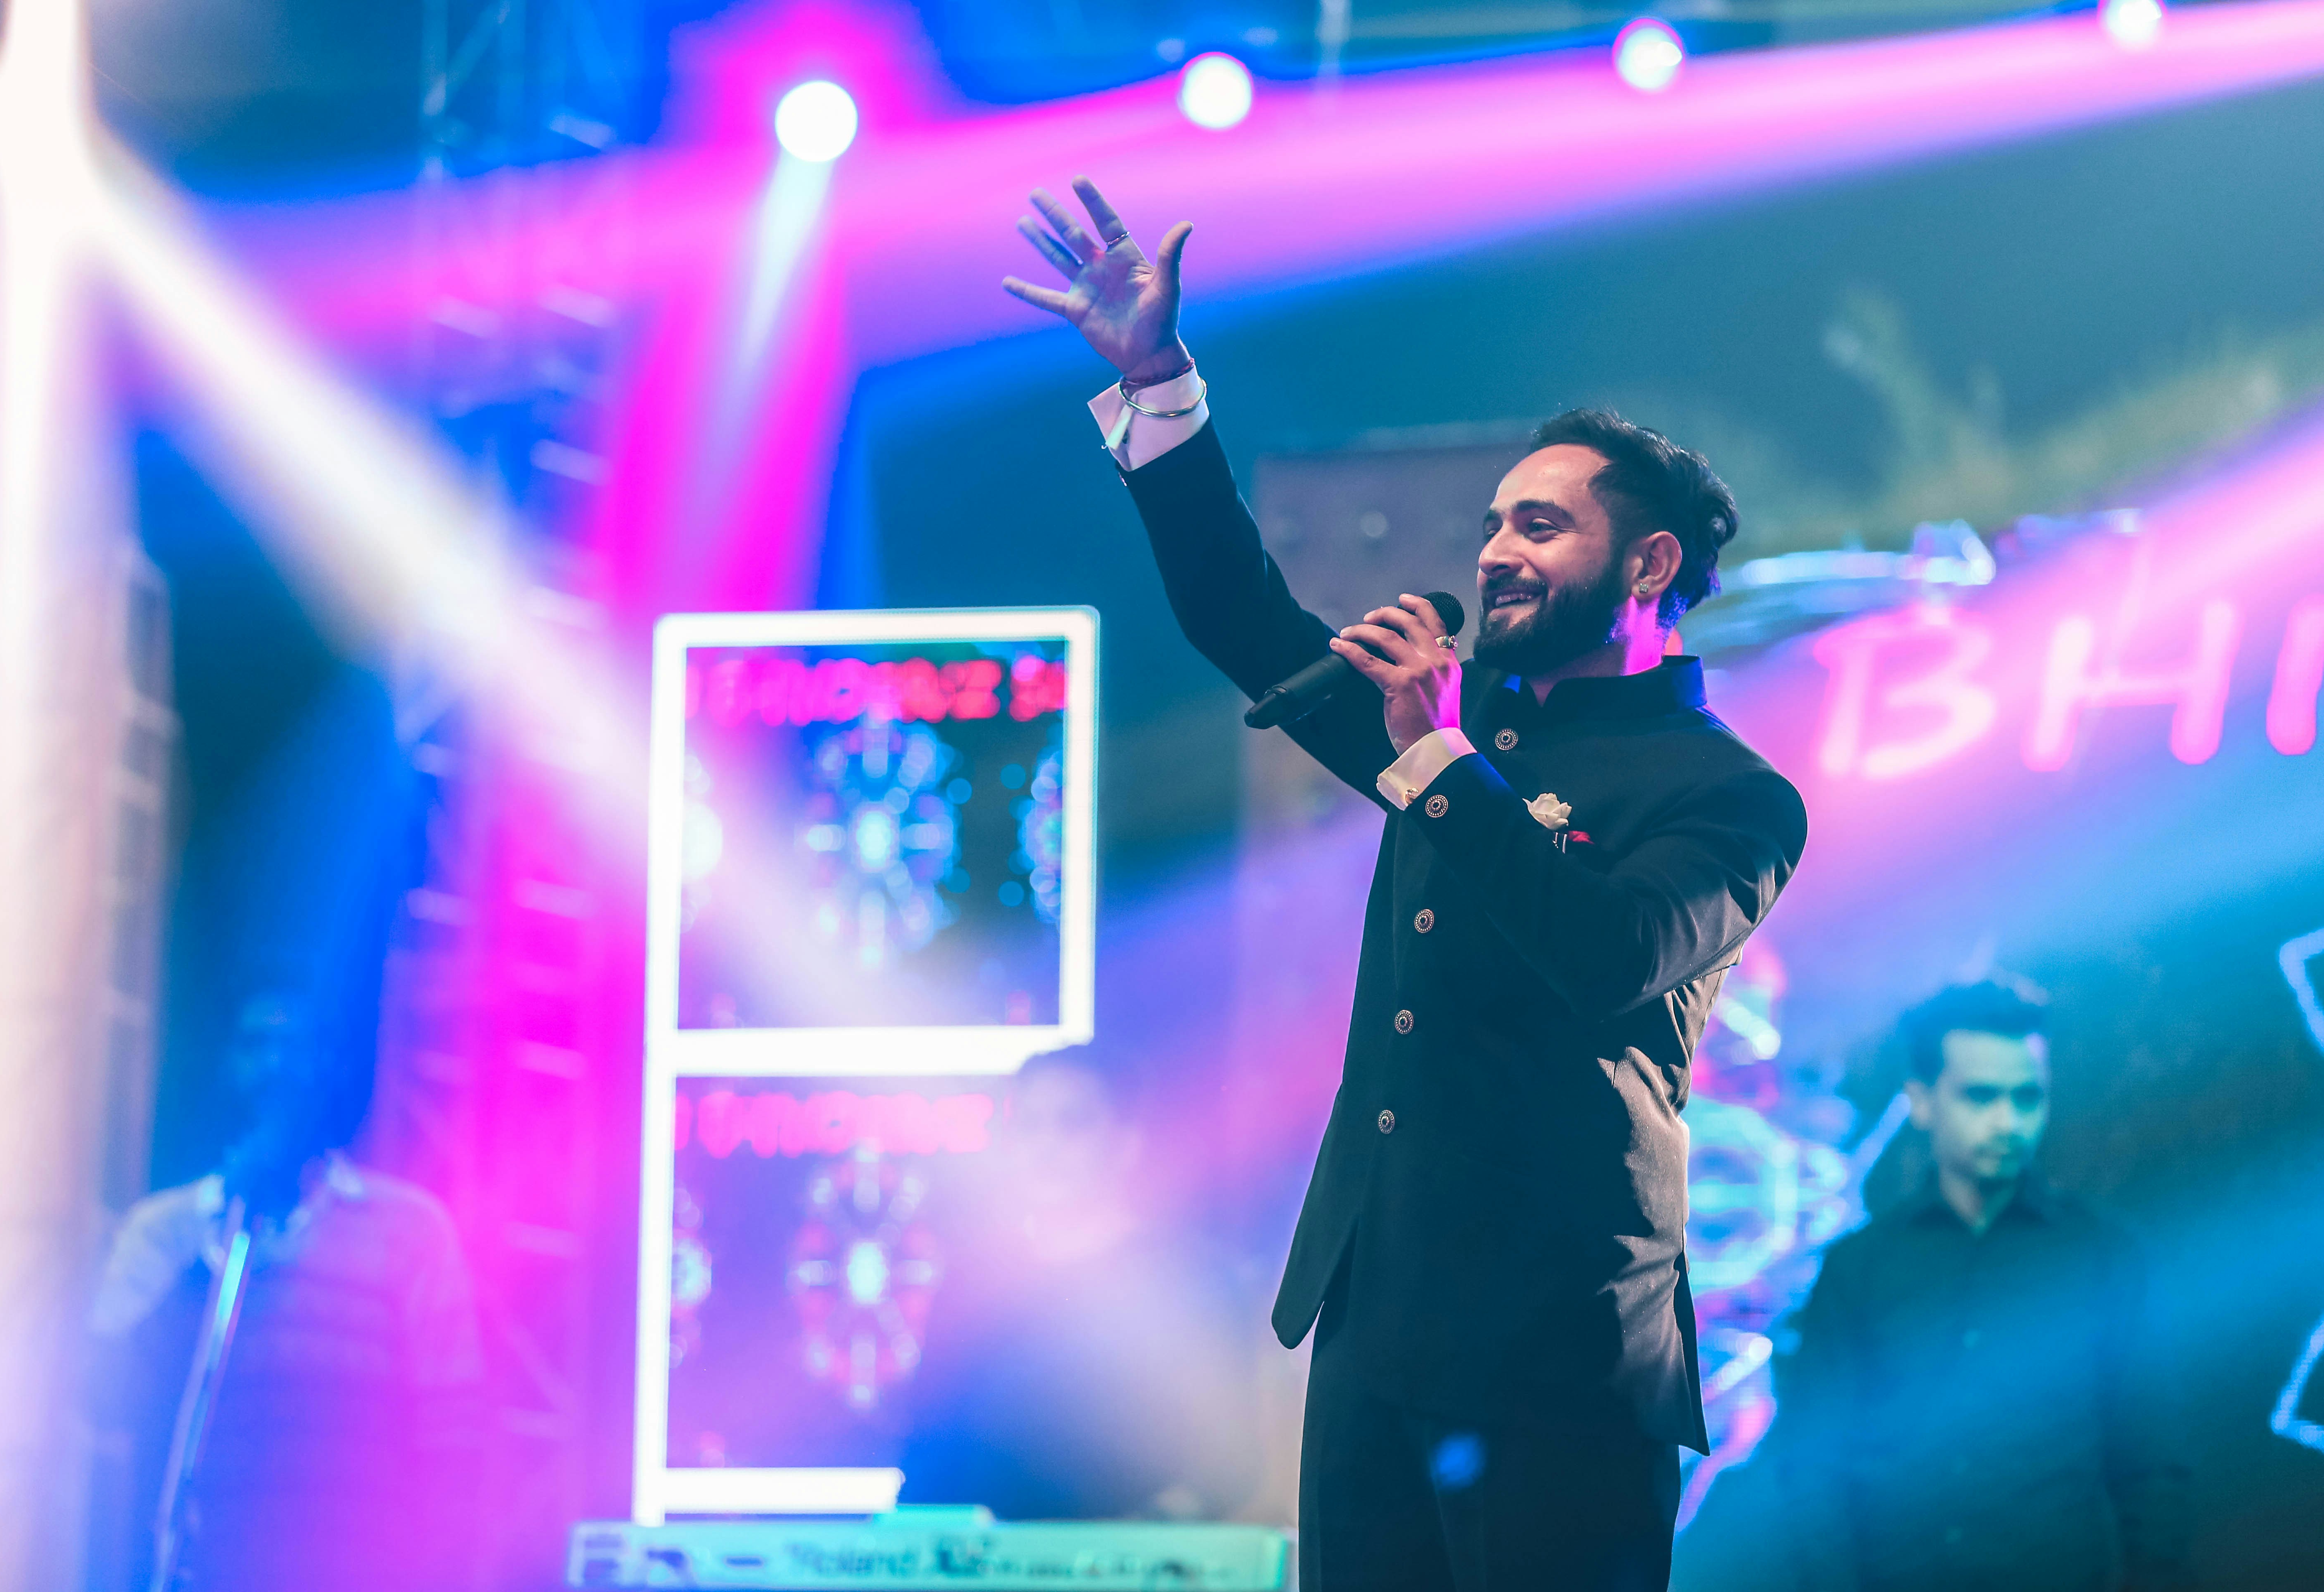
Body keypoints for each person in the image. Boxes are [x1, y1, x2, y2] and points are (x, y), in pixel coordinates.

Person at [1000, 178, 1807, 1590]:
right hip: (1379, 1324)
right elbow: (1242, 621)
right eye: (1496, 521)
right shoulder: (1462, 728)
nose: (1495, 550)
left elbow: (1611, 951)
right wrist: (1159, 382)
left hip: (1563, 1353)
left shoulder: (1730, 794)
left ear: (1650, 562)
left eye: (1542, 527)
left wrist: (1437, 753)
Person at [1768, 980, 2194, 1592]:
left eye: (2028, 1097)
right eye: (1980, 1096)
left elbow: (2152, 1462)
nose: (2008, 1121)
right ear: (1921, 1100)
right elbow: (1812, 1472)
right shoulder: (1858, 1269)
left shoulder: (2104, 1256)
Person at [88, 990, 483, 1592]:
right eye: (257, 1046)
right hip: (208, 1569)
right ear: (225, 1066)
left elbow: (454, 1434)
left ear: (333, 1071)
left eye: (299, 1049)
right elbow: (108, 1394)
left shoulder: (409, 1232)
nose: (277, 1068)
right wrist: (212, 1250)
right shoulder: (166, 1231)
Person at [900, 1052, 1262, 1519]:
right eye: (1029, 1125)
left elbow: (1229, 1465)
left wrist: (1143, 1539)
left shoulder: (1192, 1281)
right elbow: (929, 1457)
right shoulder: (970, 1289)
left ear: (1125, 1143)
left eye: (1072, 1124)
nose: (1046, 1145)